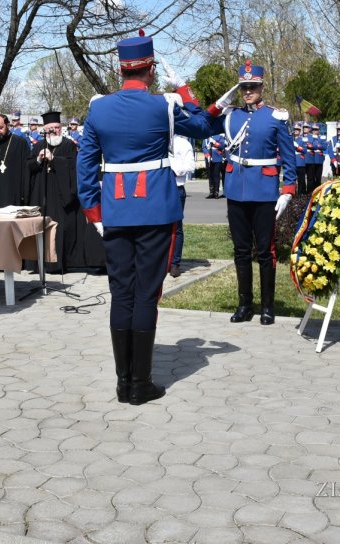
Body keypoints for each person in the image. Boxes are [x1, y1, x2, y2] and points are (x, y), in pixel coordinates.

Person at [76, 30, 212, 405]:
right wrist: (184, 89)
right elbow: (206, 126)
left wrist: (93, 211)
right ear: (150, 69)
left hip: (116, 212)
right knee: (146, 296)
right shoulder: (163, 107)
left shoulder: (99, 108)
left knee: (121, 293)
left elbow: (85, 163)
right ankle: (141, 383)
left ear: (121, 69)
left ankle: (123, 383)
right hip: (155, 211)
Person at [208, 60, 297, 325]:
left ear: (261, 87)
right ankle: (244, 304)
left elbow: (289, 158)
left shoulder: (275, 116)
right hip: (236, 189)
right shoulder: (231, 116)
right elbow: (205, 121)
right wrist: (219, 103)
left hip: (265, 191)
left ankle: (268, 307)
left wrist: (287, 191)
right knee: (241, 250)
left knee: (265, 252)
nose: (248, 91)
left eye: (253, 87)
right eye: (244, 87)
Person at [29, 111, 105, 273]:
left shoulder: (69, 145)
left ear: (61, 128)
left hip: (62, 195)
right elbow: (28, 167)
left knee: (63, 229)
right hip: (43, 194)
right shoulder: (37, 146)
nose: (54, 131)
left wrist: (54, 160)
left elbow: (73, 167)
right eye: (50, 128)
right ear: (45, 130)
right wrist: (38, 159)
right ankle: (43, 263)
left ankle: (62, 263)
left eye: (57, 127)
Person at [0, 114, 28, 208]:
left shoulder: (20, 142)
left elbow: (26, 170)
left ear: (7, 125)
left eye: (0, 127)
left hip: (13, 190)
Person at [168, 133, 196, 277]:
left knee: (176, 228)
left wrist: (173, 169)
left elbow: (191, 166)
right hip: (156, 189)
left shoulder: (182, 143)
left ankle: (175, 263)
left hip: (176, 188)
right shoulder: (155, 139)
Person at [204, 133, 226, 198]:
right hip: (208, 159)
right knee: (210, 175)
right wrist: (207, 155)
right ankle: (211, 192)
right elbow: (204, 147)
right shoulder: (206, 136)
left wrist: (214, 142)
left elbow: (222, 146)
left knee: (216, 176)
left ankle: (216, 192)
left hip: (217, 158)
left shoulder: (219, 136)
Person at [292, 123, 308, 195]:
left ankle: (300, 194)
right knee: (292, 179)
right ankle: (292, 193)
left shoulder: (303, 139)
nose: (296, 131)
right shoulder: (290, 138)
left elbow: (304, 150)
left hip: (300, 161)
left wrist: (297, 146)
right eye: (295, 129)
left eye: (297, 130)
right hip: (292, 160)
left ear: (300, 131)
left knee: (301, 179)